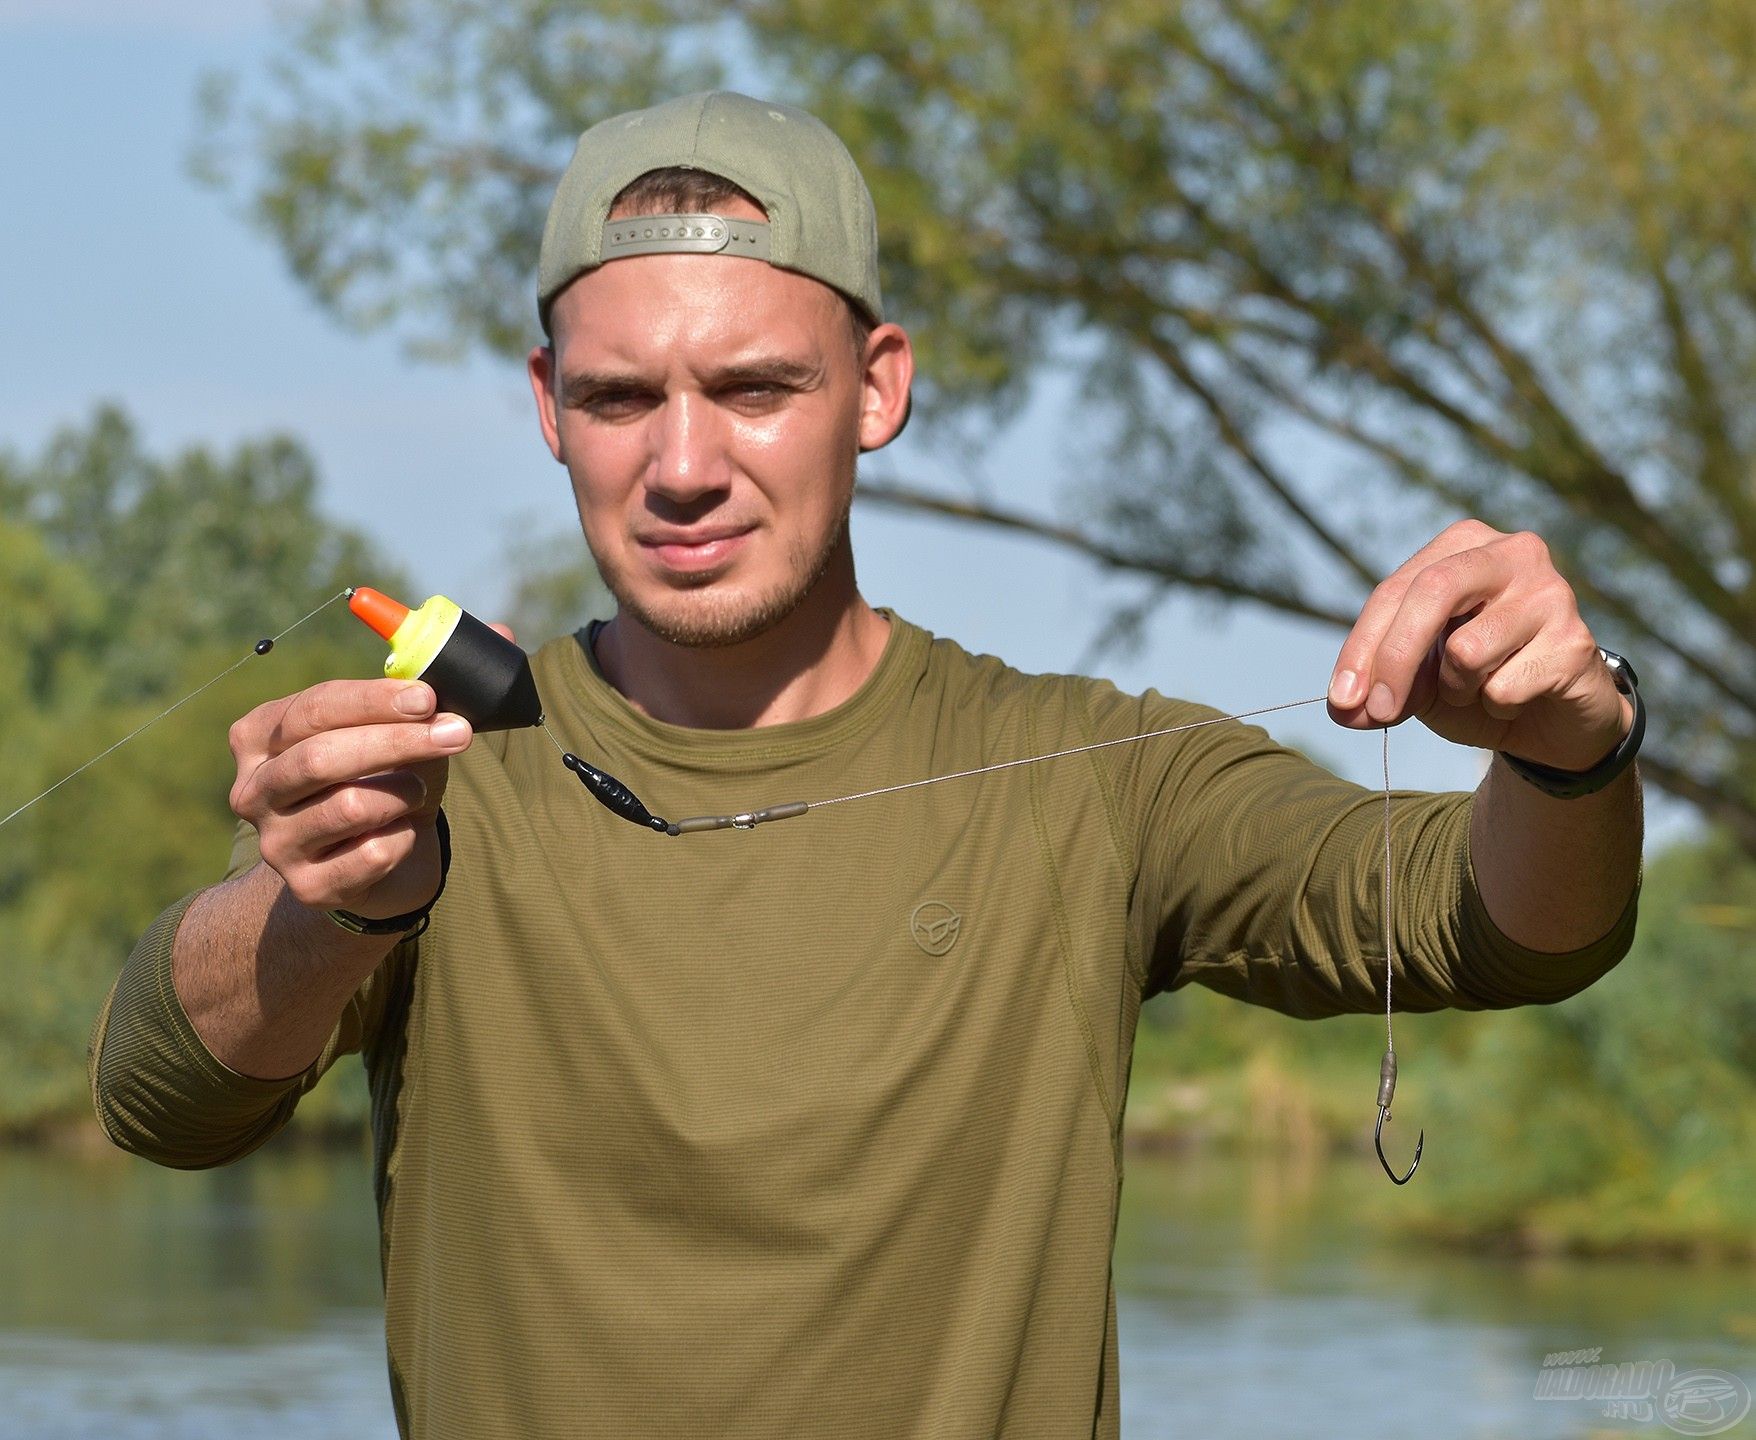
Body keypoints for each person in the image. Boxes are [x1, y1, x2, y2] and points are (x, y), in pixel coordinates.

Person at [89, 91, 1642, 1439]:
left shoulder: (1090, 773)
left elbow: (1505, 926)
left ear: (878, 388)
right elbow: (164, 1096)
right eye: (624, 398)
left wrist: (1572, 749)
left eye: (756, 389)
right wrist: (330, 908)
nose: (685, 466)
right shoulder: (435, 785)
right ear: (551, 407)